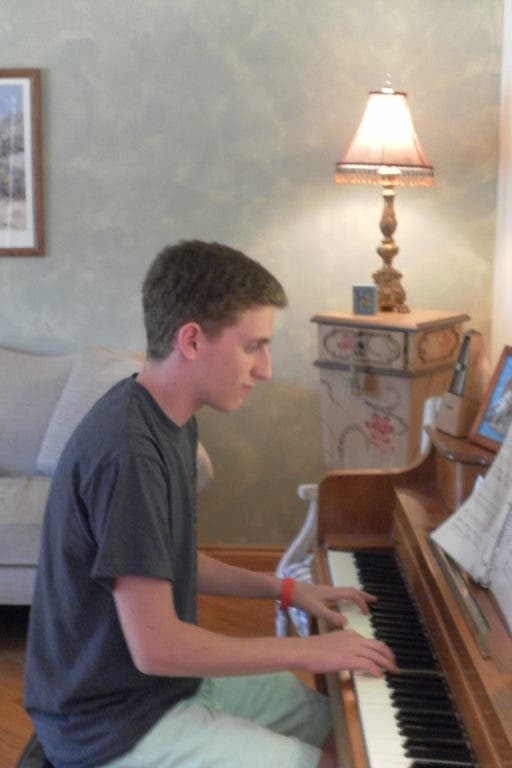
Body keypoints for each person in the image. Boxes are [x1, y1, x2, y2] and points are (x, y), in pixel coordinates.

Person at [24, 240, 396, 768]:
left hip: (165, 689)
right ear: (192, 340)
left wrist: (287, 589)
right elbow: (157, 648)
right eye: (253, 346)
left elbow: (172, 560)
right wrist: (309, 650)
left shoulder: (170, 421)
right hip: (109, 726)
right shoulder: (128, 451)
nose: (265, 369)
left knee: (344, 727)